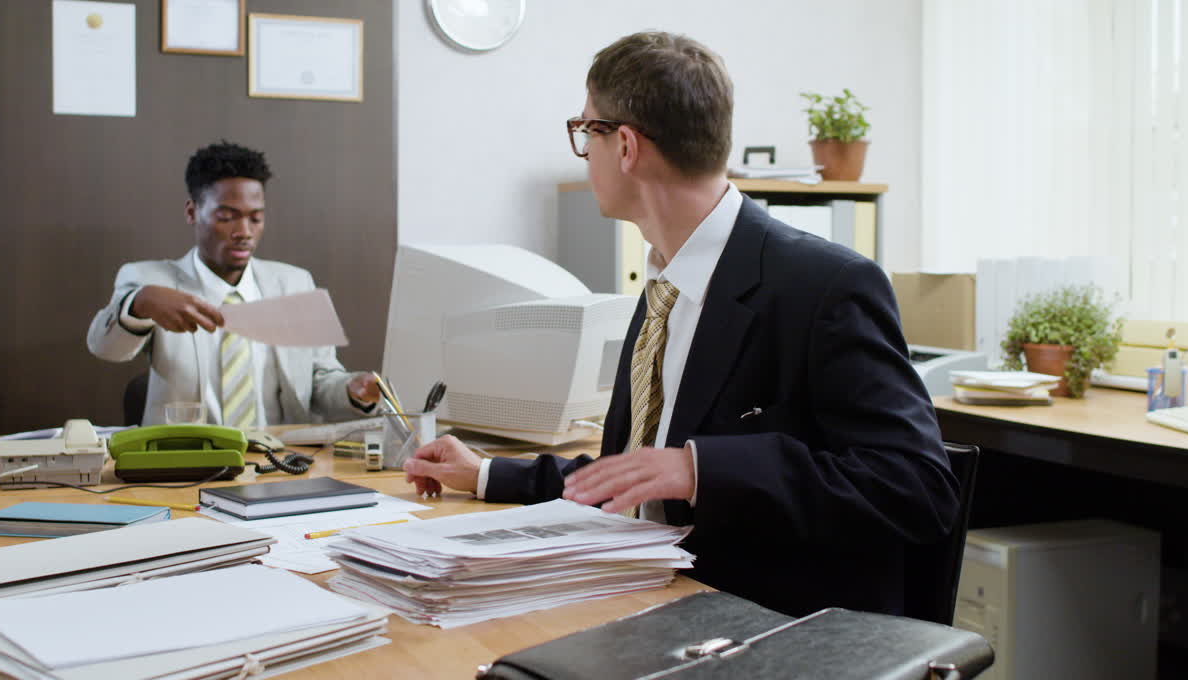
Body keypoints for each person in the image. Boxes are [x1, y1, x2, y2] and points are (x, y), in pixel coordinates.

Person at [403, 32, 960, 617]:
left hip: (763, 626)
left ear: (625, 146)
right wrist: (487, 473)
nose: (584, 152)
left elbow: (916, 486)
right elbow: (640, 476)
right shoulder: (664, 288)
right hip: (644, 603)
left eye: (586, 131)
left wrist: (700, 469)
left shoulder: (826, 286)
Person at [87, 141, 379, 427]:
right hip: (188, 453)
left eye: (256, 218)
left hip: (281, 452)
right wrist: (139, 303)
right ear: (192, 212)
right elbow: (106, 348)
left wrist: (353, 391)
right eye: (227, 217)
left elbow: (320, 380)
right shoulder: (150, 280)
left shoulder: (295, 283)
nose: (244, 232)